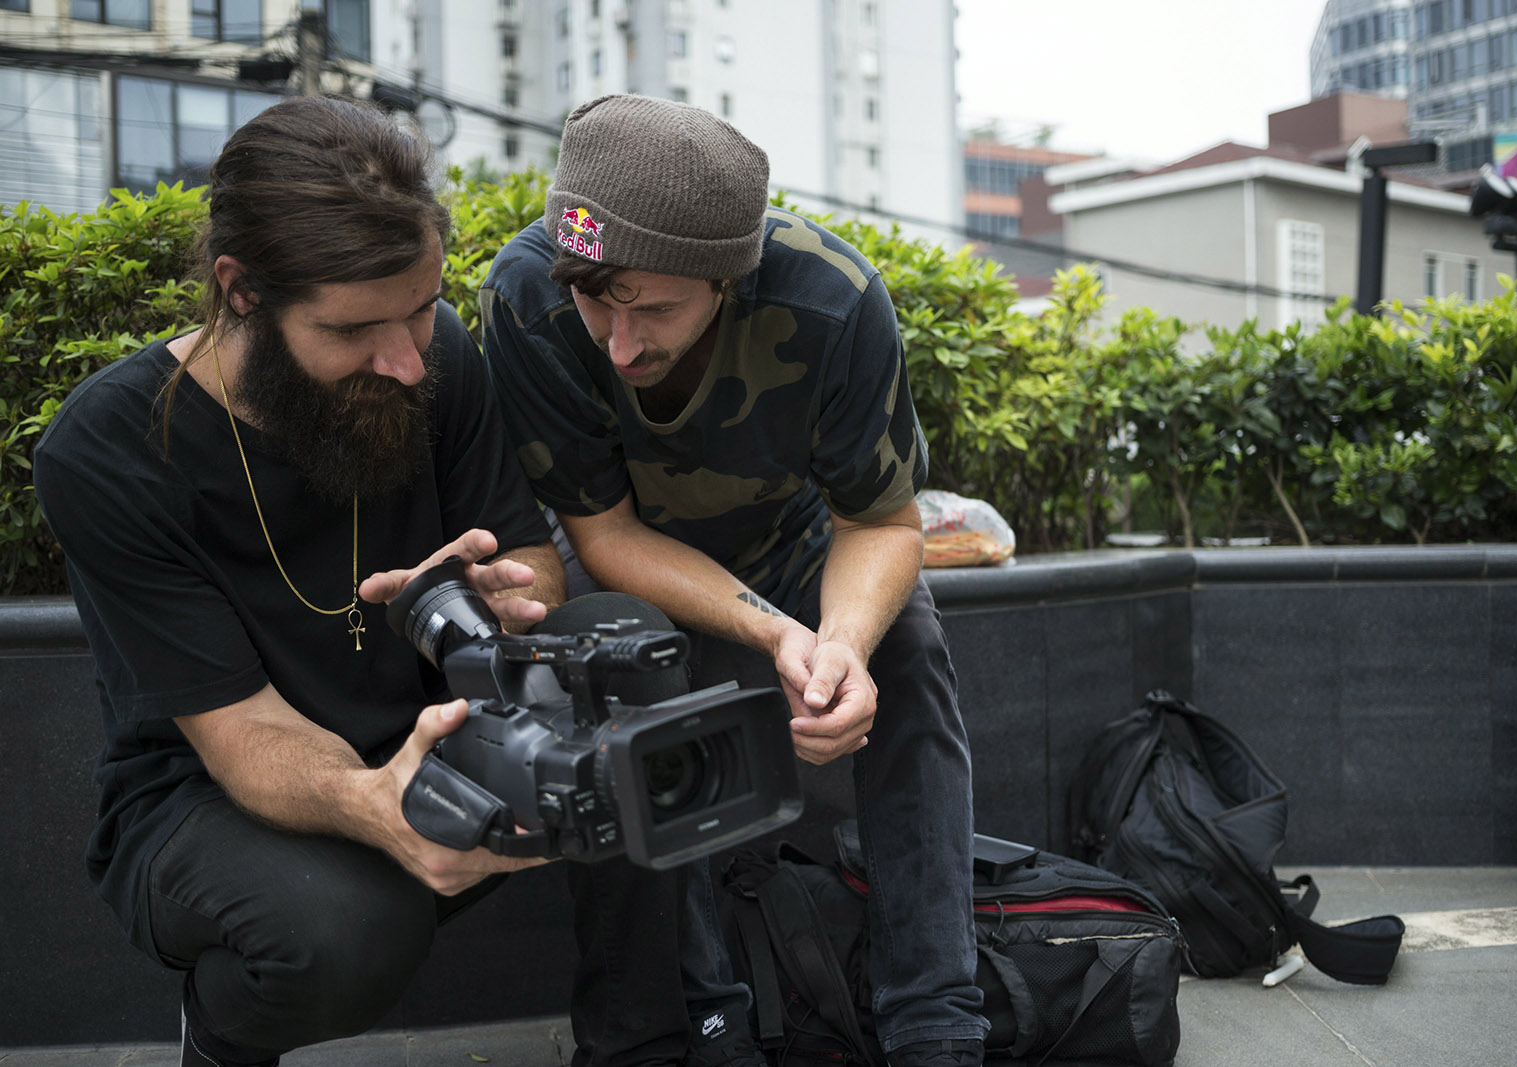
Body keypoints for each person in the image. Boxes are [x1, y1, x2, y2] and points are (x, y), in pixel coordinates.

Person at [33, 96, 693, 1067]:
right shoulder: (108, 449)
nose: (405, 358)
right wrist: (377, 801)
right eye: (354, 330)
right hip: (207, 794)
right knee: (346, 928)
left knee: (625, 647)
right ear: (242, 291)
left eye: (422, 309)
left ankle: (647, 1040)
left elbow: (533, 560)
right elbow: (242, 733)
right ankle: (220, 1039)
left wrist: (509, 602)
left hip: (439, 723)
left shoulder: (434, 361)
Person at [481, 94, 990, 1067]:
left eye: (656, 308)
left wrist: (835, 641)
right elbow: (604, 530)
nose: (618, 346)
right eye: (597, 301)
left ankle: (936, 1020)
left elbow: (880, 522)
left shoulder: (833, 300)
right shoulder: (525, 297)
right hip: (626, 565)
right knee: (611, 664)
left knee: (908, 650)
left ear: (730, 277)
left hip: (790, 545)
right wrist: (768, 634)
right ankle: (673, 1029)